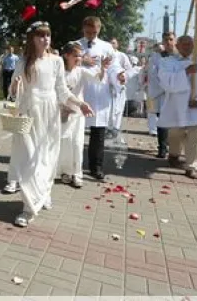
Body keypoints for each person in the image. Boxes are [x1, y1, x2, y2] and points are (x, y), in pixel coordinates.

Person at [9, 23, 92, 227]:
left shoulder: (56, 61)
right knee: (29, 159)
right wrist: (15, 86)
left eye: (48, 35)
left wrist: (80, 103)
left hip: (49, 114)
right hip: (29, 112)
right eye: (41, 36)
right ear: (33, 39)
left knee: (45, 158)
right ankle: (28, 208)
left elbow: (62, 91)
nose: (45, 39)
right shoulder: (23, 61)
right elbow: (12, 91)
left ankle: (42, 193)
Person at [157, 36, 197, 179]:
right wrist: (185, 72)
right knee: (175, 133)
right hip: (176, 106)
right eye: (183, 44)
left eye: (189, 44)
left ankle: (192, 166)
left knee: (195, 135)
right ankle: (174, 154)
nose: (186, 47)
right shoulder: (167, 62)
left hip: (196, 106)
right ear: (177, 46)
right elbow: (165, 81)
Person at [77, 16, 120, 180]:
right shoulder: (76, 45)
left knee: (98, 132)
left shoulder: (106, 47)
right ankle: (75, 164)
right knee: (77, 131)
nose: (90, 35)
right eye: (88, 32)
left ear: (99, 29)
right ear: (83, 29)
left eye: (94, 32)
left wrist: (120, 75)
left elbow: (114, 67)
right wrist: (82, 59)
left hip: (100, 93)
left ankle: (96, 167)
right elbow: (67, 63)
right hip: (81, 91)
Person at [55, 41, 99, 188]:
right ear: (66, 55)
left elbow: (97, 77)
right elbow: (58, 92)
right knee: (64, 142)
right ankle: (65, 172)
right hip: (62, 112)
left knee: (77, 143)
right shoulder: (59, 71)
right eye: (75, 55)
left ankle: (77, 174)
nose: (79, 58)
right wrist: (62, 108)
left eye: (80, 56)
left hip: (79, 113)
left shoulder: (81, 71)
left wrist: (103, 67)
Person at [148, 33, 177, 157]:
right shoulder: (156, 56)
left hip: (176, 93)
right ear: (163, 42)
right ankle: (162, 148)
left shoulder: (179, 55)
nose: (168, 42)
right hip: (162, 92)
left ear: (175, 40)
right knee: (162, 121)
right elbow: (152, 72)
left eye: (171, 39)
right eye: (166, 40)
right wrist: (164, 84)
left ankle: (174, 148)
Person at [108, 38, 131, 136]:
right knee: (109, 107)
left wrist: (121, 75)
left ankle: (116, 128)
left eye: (113, 43)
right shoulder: (105, 54)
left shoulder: (121, 55)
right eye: (110, 43)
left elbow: (128, 68)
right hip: (107, 85)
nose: (111, 44)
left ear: (117, 45)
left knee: (119, 107)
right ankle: (108, 127)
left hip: (119, 84)